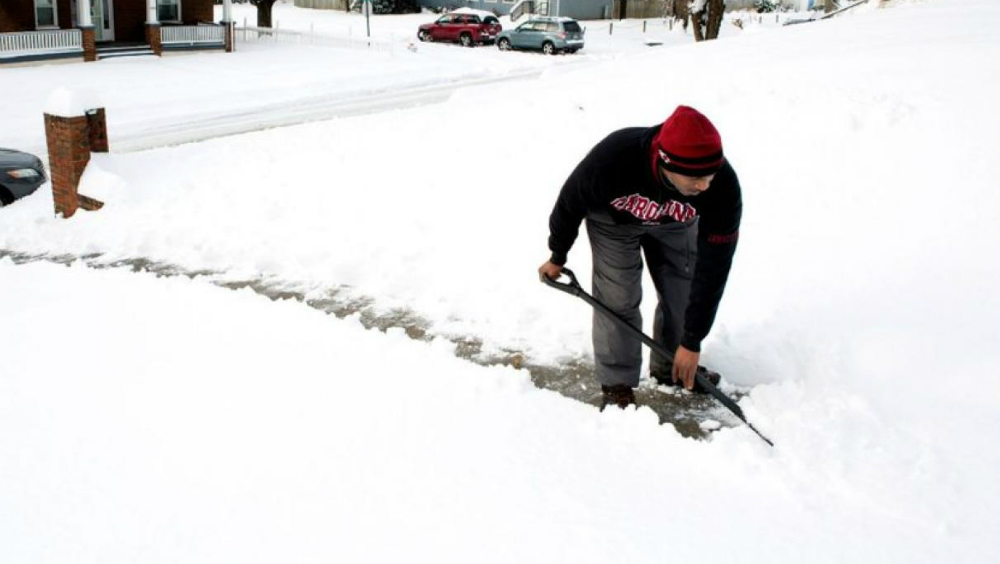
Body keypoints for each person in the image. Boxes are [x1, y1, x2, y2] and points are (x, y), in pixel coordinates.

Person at [538, 106, 742, 409]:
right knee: (617, 298)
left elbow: (713, 269)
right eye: (697, 178)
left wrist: (692, 341)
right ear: (666, 162)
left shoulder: (721, 186)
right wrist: (558, 254)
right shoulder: (613, 159)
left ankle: (673, 368)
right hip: (613, 223)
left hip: (675, 221)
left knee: (683, 291)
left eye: (710, 175)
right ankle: (617, 383)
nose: (705, 185)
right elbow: (569, 203)